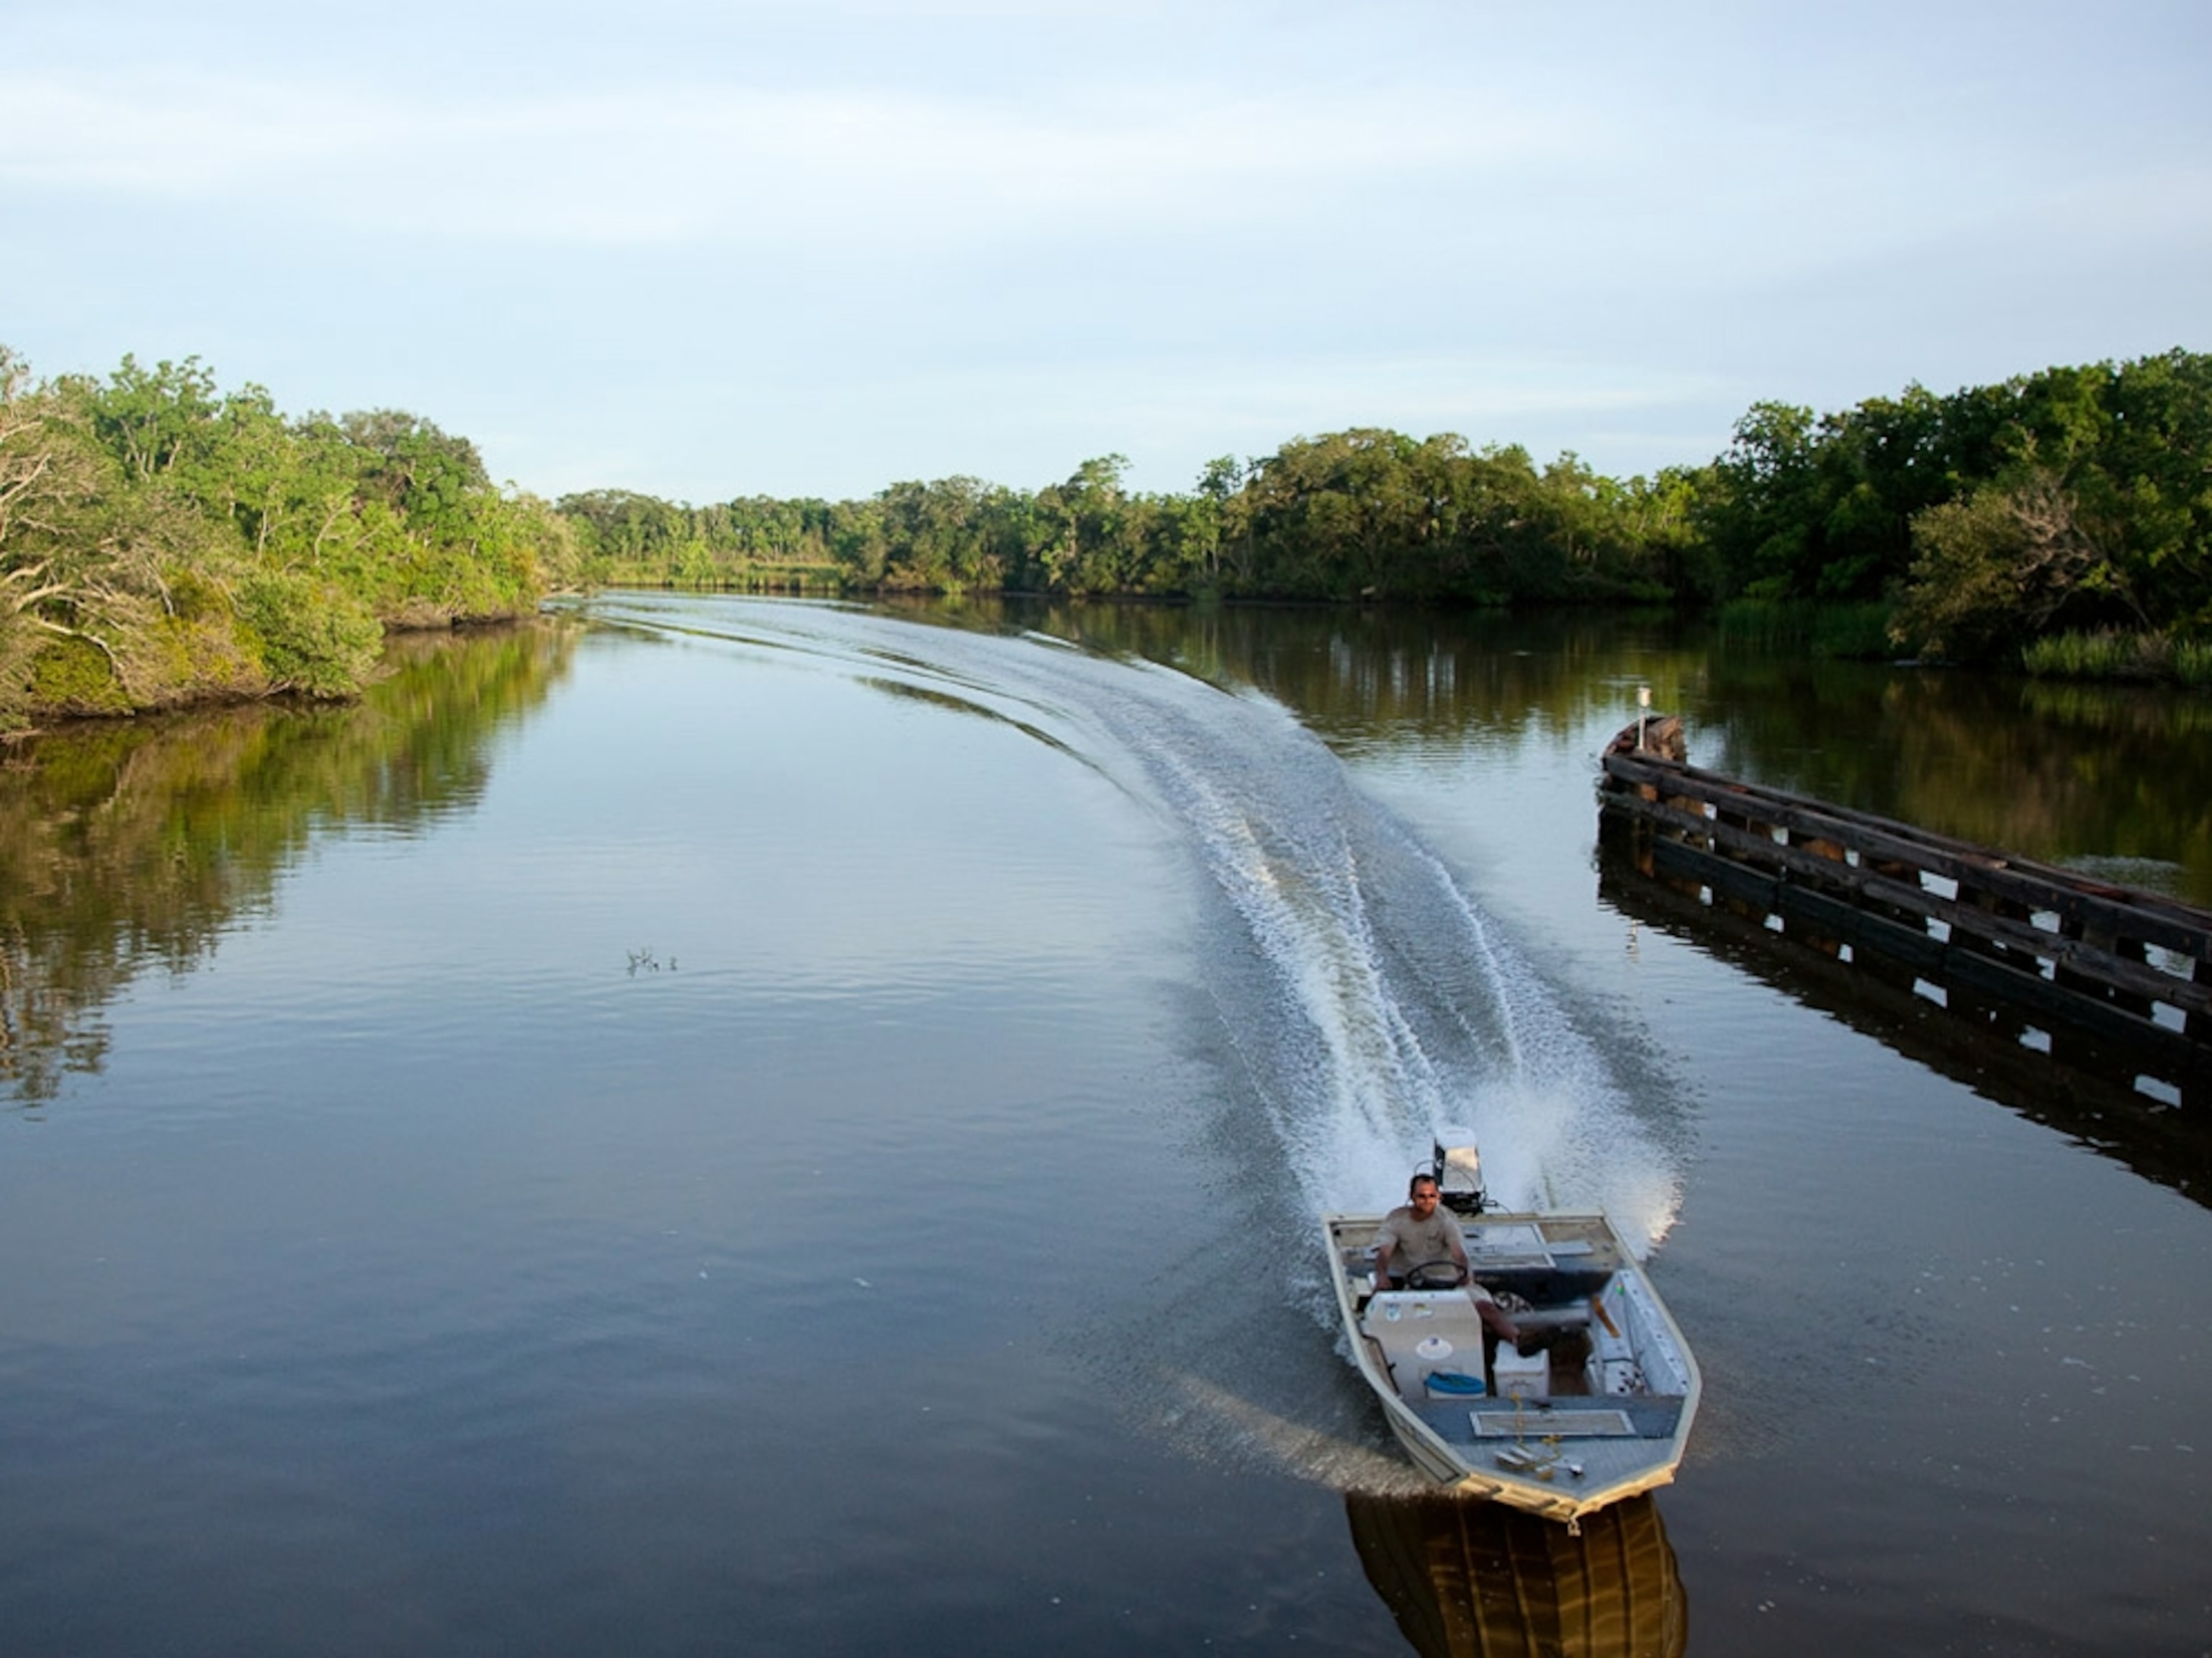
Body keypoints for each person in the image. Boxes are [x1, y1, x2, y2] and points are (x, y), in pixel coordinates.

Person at [1371, 1173, 1523, 1346]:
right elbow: (1384, 1253)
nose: (1427, 1200)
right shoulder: (1397, 1220)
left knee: (1486, 1308)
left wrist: (1463, 1272)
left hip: (1453, 1283)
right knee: (1403, 1319)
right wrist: (1382, 1276)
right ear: (1411, 1196)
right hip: (1416, 1285)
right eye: (1421, 1196)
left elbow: (1459, 1253)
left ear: (1438, 1196)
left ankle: (1518, 1340)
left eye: (1431, 1196)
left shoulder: (1446, 1220)